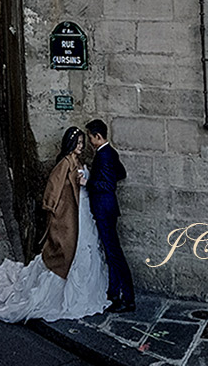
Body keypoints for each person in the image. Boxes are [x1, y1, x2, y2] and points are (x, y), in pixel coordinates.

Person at [0, 126, 109, 322]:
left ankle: (84, 293)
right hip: (71, 215)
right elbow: (52, 193)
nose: (80, 147)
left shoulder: (78, 161)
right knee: (72, 250)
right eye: (78, 144)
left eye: (82, 143)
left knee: (86, 250)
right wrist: (56, 214)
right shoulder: (64, 164)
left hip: (83, 211)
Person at [85, 119, 135, 313]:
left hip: (104, 209)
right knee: (112, 253)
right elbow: (120, 173)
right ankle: (115, 294)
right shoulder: (110, 152)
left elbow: (108, 185)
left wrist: (87, 182)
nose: (90, 142)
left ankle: (127, 298)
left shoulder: (104, 155)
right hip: (108, 209)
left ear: (98, 136)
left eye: (90, 138)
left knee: (115, 255)